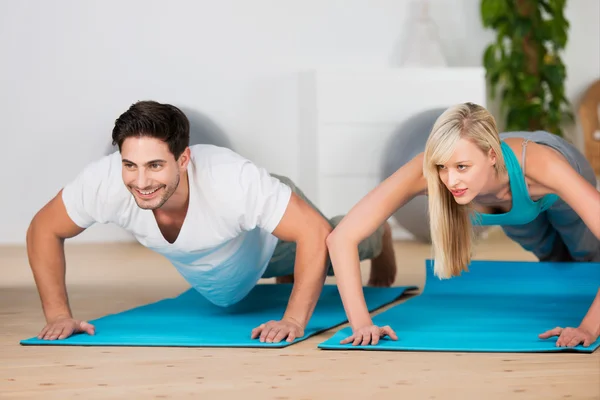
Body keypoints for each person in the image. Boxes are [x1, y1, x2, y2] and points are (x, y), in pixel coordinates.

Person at [26, 100, 397, 344]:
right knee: (275, 269)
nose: (140, 182)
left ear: (183, 160)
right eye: (130, 165)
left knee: (335, 243)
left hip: (265, 239)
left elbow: (313, 234)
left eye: (155, 165)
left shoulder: (231, 180)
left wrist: (294, 321)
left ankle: (377, 232)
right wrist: (58, 314)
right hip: (231, 258)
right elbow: (44, 228)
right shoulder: (104, 182)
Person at [326, 102, 600, 347]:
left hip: (552, 180)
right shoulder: (428, 172)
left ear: (492, 156)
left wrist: (588, 329)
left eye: (461, 167)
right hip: (515, 206)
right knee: (552, 257)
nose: (450, 181)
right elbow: (341, 238)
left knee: (587, 254)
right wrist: (362, 324)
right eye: (443, 167)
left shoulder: (543, 164)